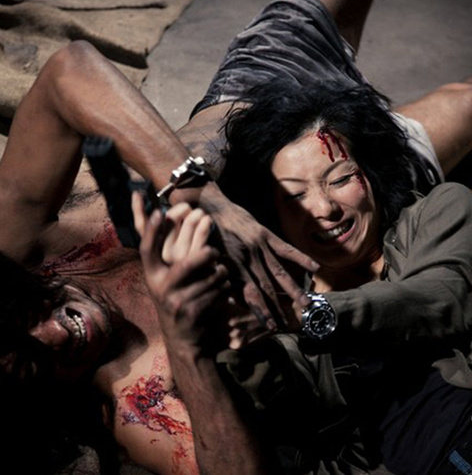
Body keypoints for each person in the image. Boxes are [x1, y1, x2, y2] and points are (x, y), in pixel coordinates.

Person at [0, 0, 471, 473]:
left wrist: (198, 192)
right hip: (341, 212)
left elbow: (69, 72)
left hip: (259, 92)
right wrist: (189, 347)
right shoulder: (139, 406)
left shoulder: (14, 242)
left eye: (18, 320)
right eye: (32, 365)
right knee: (462, 104)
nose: (54, 334)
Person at [137, 79, 472, 474]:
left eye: (341, 179)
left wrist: (313, 312)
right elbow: (282, 394)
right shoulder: (281, 309)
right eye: (295, 197)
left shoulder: (440, 211)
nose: (325, 208)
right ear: (268, 214)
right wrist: (230, 338)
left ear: (372, 172)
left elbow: (439, 296)